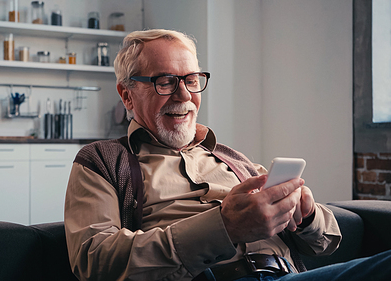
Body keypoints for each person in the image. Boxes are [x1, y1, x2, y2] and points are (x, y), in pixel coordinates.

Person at [64, 29, 391, 281]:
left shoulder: (233, 159)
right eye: (165, 82)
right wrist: (224, 227)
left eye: (192, 80)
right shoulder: (104, 161)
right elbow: (94, 259)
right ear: (127, 95)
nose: (184, 95)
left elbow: (325, 242)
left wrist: (305, 216)